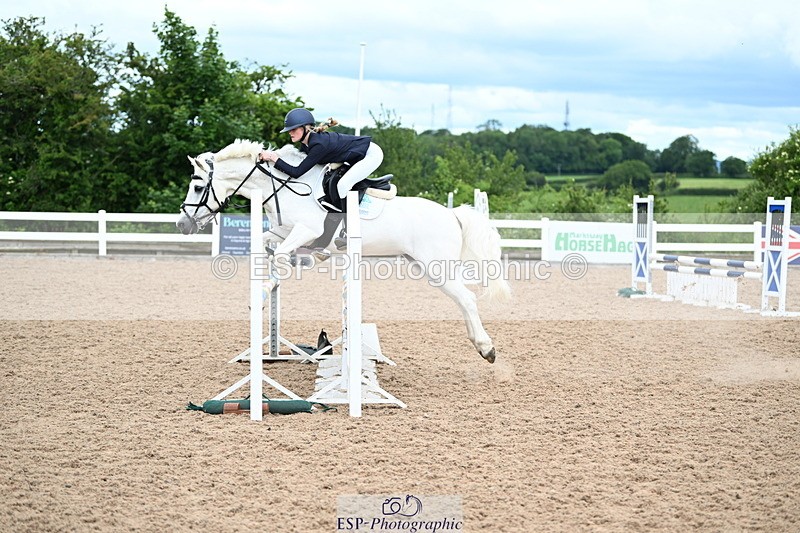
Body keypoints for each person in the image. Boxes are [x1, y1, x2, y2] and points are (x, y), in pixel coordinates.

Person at [258, 108, 384, 211]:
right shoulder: (306, 143)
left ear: (305, 128)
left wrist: (273, 158)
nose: (290, 133)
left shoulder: (318, 145)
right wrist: (271, 156)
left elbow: (296, 172)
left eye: (293, 129)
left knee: (343, 185)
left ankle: (349, 228)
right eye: (289, 130)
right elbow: (295, 163)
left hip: (371, 154)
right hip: (357, 155)